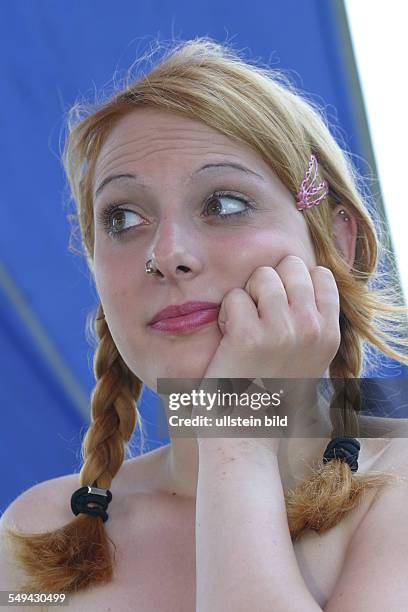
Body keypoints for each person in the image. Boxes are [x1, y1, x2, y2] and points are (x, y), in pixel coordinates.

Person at [1, 37, 408, 611]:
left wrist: (233, 433)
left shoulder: (400, 487)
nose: (167, 253)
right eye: (122, 217)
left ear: (335, 242)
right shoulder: (39, 530)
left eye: (224, 203)